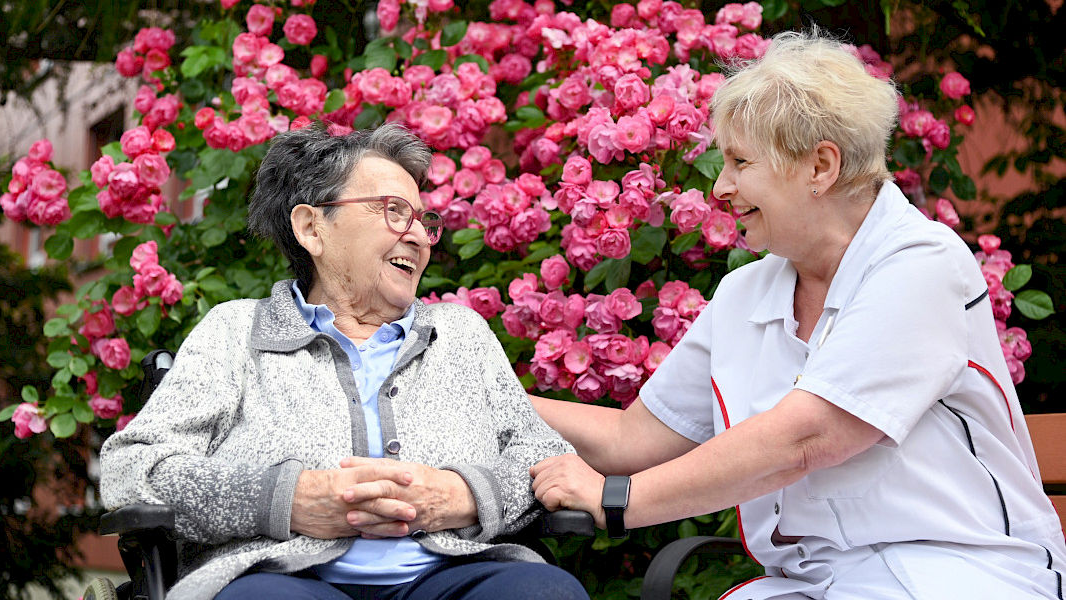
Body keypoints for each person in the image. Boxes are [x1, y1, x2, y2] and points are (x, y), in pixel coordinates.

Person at [529, 29, 1066, 600]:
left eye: (739, 162)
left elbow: (807, 437)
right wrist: (480, 387)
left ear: (820, 167)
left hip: (959, 572)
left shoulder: (922, 263)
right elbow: (628, 440)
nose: (720, 187)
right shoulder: (745, 292)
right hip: (808, 586)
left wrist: (620, 501)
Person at [101, 123, 588, 600]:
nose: (418, 235)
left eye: (422, 220)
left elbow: (544, 457)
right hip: (282, 578)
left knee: (546, 591)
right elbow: (131, 470)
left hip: (452, 575)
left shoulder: (460, 335)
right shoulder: (236, 332)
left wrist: (464, 495)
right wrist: (287, 501)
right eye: (394, 211)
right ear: (312, 227)